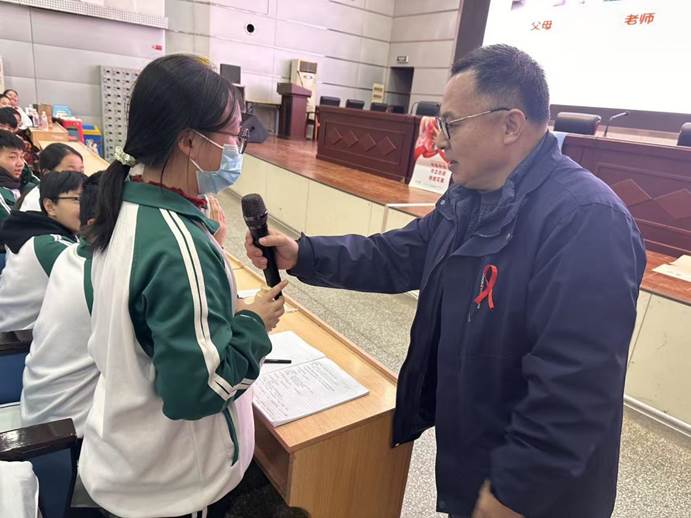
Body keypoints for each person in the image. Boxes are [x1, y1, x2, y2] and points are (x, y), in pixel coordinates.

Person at [246, 45, 646, 518]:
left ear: (510, 125)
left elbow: (574, 386)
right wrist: (305, 254)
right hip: (479, 458)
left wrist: (513, 494)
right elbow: (399, 254)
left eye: (451, 124)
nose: (437, 142)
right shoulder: (473, 194)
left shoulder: (587, 220)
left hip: (538, 495)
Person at [80, 54, 287, 518]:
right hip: (173, 484)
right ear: (190, 141)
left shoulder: (121, 205)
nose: (238, 148)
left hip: (125, 456)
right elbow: (199, 392)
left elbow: (144, 328)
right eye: (234, 134)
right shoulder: (177, 246)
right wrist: (255, 324)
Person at [20, 172, 101, 437]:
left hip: (40, 404)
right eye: (75, 198)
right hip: (69, 431)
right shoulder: (93, 271)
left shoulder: (71, 254)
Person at [0, 171, 85, 332]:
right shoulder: (50, 246)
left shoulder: (34, 229)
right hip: (19, 336)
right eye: (77, 199)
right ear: (50, 207)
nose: (89, 208)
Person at [19, 143, 84, 212]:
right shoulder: (35, 204)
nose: (79, 178)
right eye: (70, 172)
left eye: (81, 172)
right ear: (47, 174)